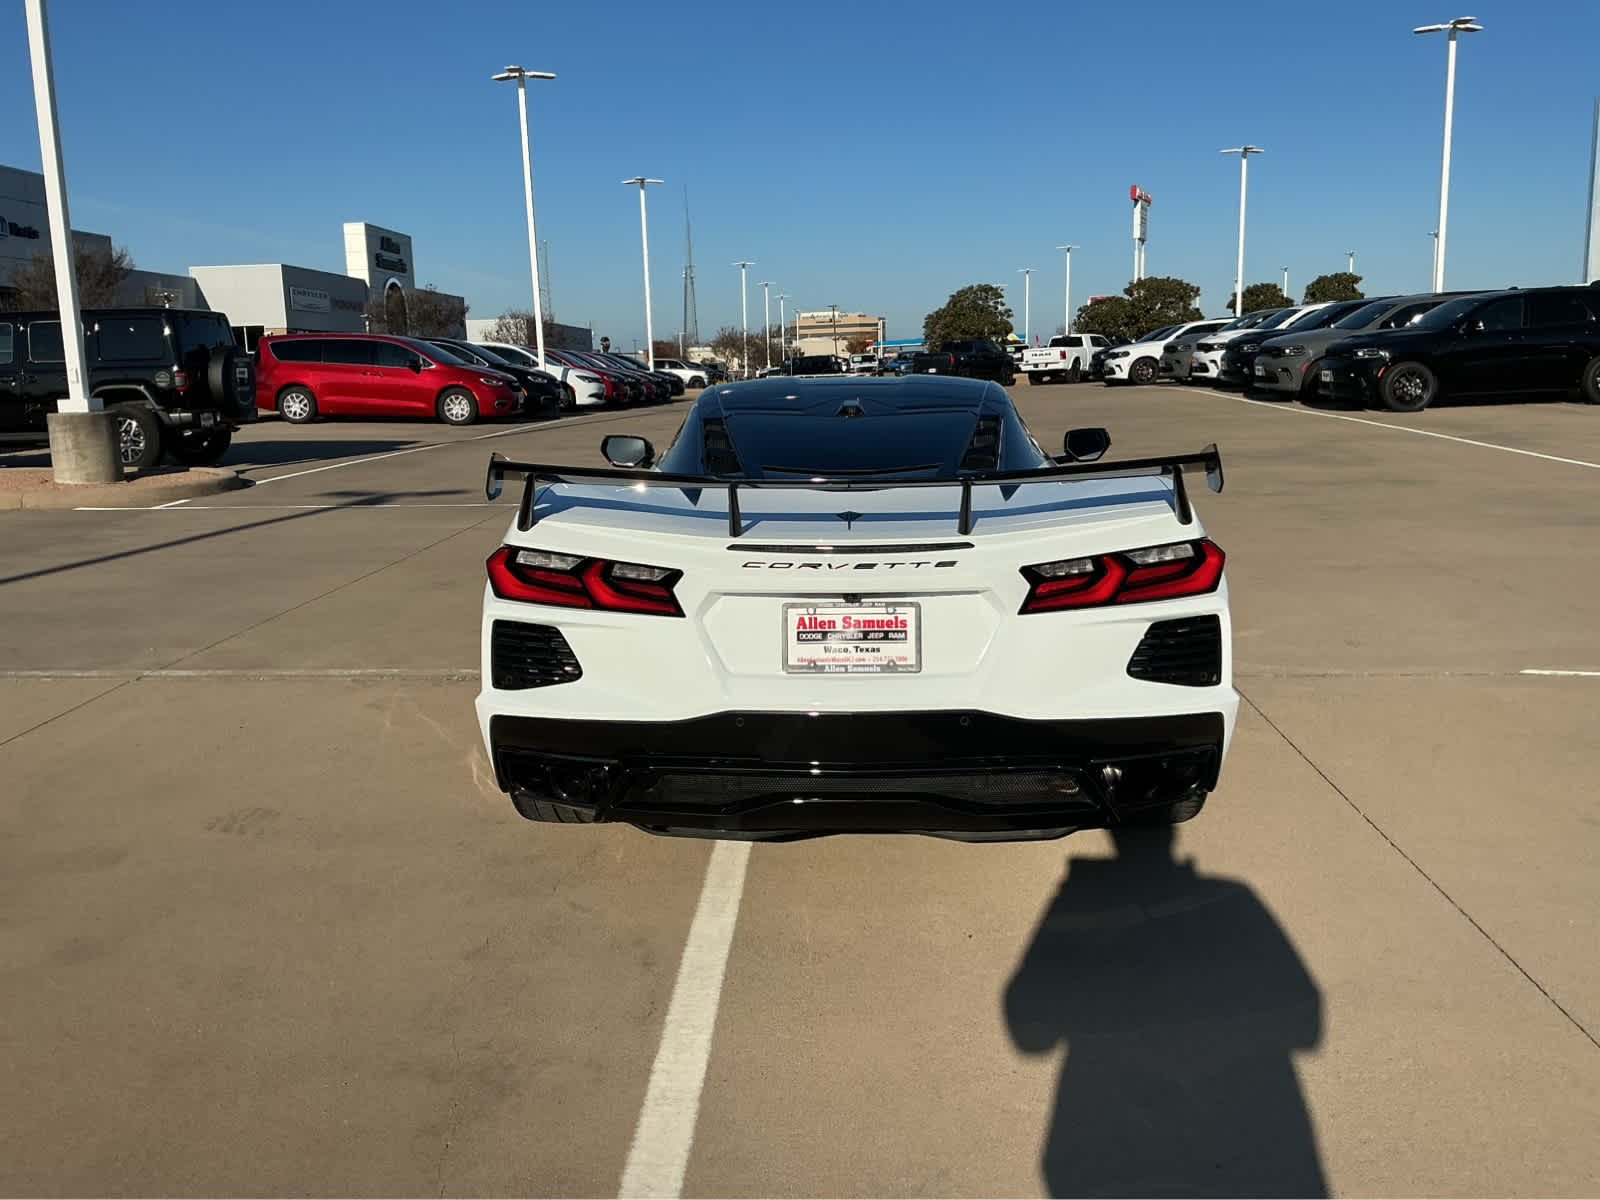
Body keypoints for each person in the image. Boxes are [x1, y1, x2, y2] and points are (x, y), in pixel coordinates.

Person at [1005, 825, 1326, 1198]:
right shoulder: (1233, 896)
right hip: (1223, 1146)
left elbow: (1030, 1034)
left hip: (1111, 1148)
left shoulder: (1078, 897)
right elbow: (1306, 1025)